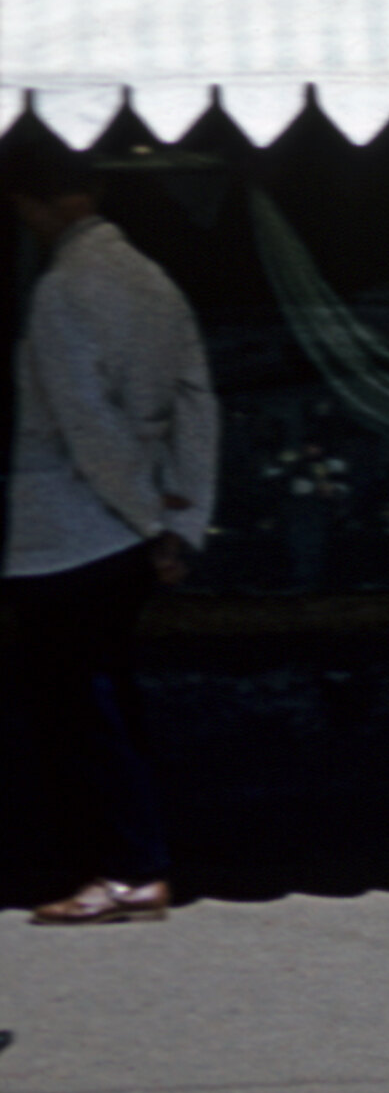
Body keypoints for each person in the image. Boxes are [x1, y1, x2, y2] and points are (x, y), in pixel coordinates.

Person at [6, 125, 214, 926]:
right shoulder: (154, 281)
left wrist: (144, 520)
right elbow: (198, 406)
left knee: (77, 713)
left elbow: (88, 429)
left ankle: (118, 870)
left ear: (31, 204)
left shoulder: (62, 291)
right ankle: (137, 861)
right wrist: (181, 520)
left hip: (70, 535)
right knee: (109, 703)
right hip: (131, 531)